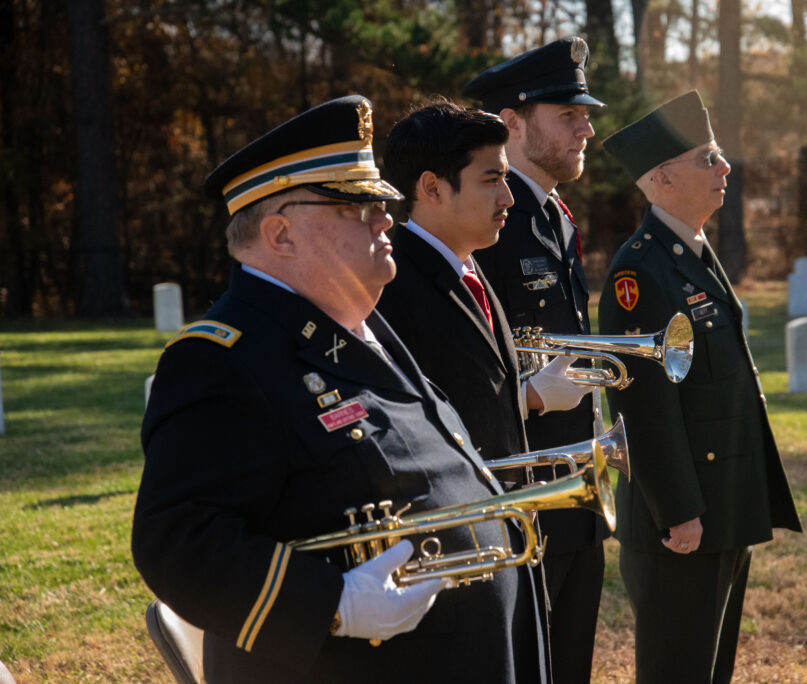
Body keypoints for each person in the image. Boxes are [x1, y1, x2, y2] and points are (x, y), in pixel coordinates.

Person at [131, 96, 546, 684]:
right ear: (280, 234)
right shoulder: (223, 360)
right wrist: (331, 603)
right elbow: (175, 539)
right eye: (356, 206)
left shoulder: (360, 320)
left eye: (379, 201)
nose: (384, 217)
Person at [599, 91, 803, 683]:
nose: (725, 168)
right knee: (677, 669)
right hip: (682, 519)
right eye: (707, 158)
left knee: (709, 670)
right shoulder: (640, 270)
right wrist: (680, 510)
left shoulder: (692, 249)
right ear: (662, 178)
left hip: (721, 503)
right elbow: (643, 404)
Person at [462, 37, 608, 684]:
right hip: (516, 491)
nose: (588, 127)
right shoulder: (487, 222)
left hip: (573, 483)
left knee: (569, 660)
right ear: (512, 123)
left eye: (586, 113)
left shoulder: (553, 215)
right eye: (568, 115)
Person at [376, 100, 591, 473]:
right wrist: (527, 398)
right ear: (432, 188)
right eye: (491, 180)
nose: (508, 197)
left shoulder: (471, 268)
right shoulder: (390, 288)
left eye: (506, 178)